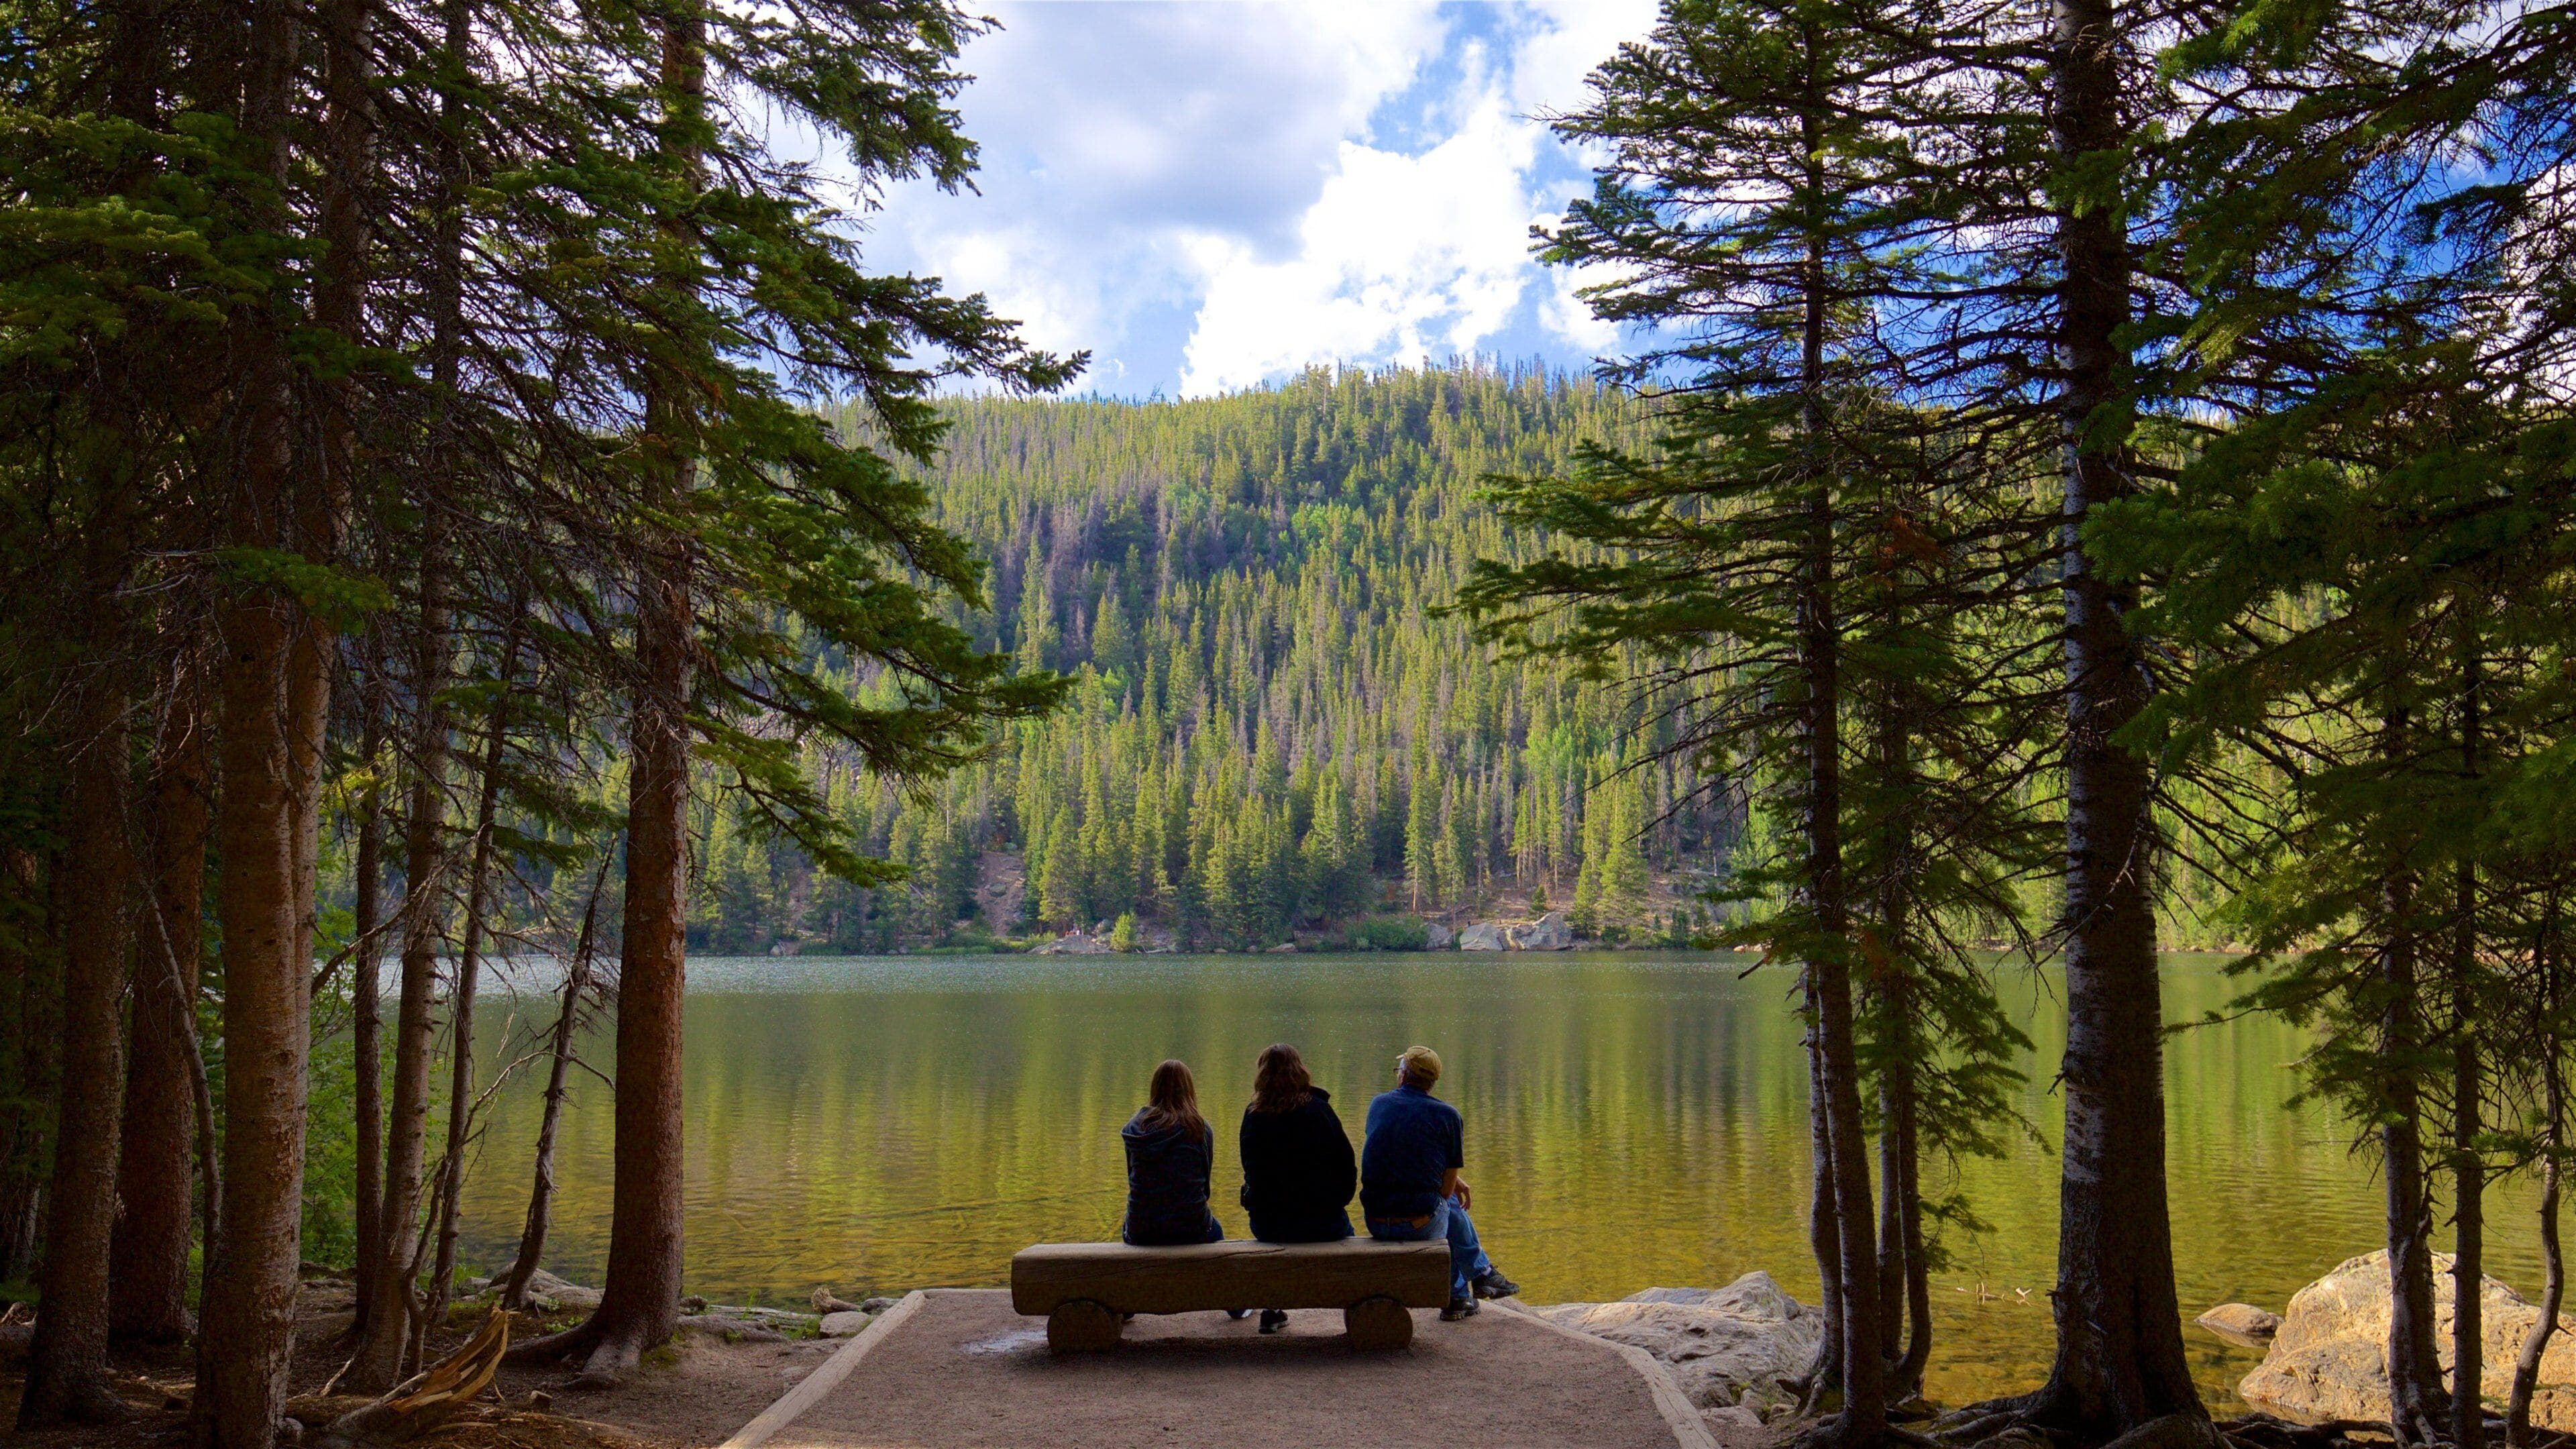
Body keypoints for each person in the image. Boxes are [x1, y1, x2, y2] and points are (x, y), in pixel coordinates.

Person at [1360, 1045, 1519, 1320]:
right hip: (1416, 1227)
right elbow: (1444, 1193)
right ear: (1432, 1081)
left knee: (1446, 1206)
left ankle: (1464, 1293)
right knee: (1450, 1206)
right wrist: (1452, 1181)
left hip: (1375, 1219)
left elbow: (1395, 1154)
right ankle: (1477, 1277)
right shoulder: (1448, 1116)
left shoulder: (1379, 1104)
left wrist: (1450, 1182)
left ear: (1404, 1075)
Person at [1237, 1042, 1356, 1333]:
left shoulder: (1254, 1116)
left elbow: (1249, 1170)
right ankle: (1356, 1303)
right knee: (1348, 1237)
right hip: (1323, 1224)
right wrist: (1336, 1202)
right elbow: (1347, 1166)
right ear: (1300, 1070)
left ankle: (1272, 1308)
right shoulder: (1319, 1111)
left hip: (1269, 1224)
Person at [1122, 1059, 1223, 1246]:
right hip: (1192, 1228)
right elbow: (1205, 1188)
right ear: (1189, 1090)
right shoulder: (1199, 1128)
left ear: (1155, 1088)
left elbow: (1133, 1180)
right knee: (1217, 1231)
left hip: (1141, 1230)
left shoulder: (1135, 1128)